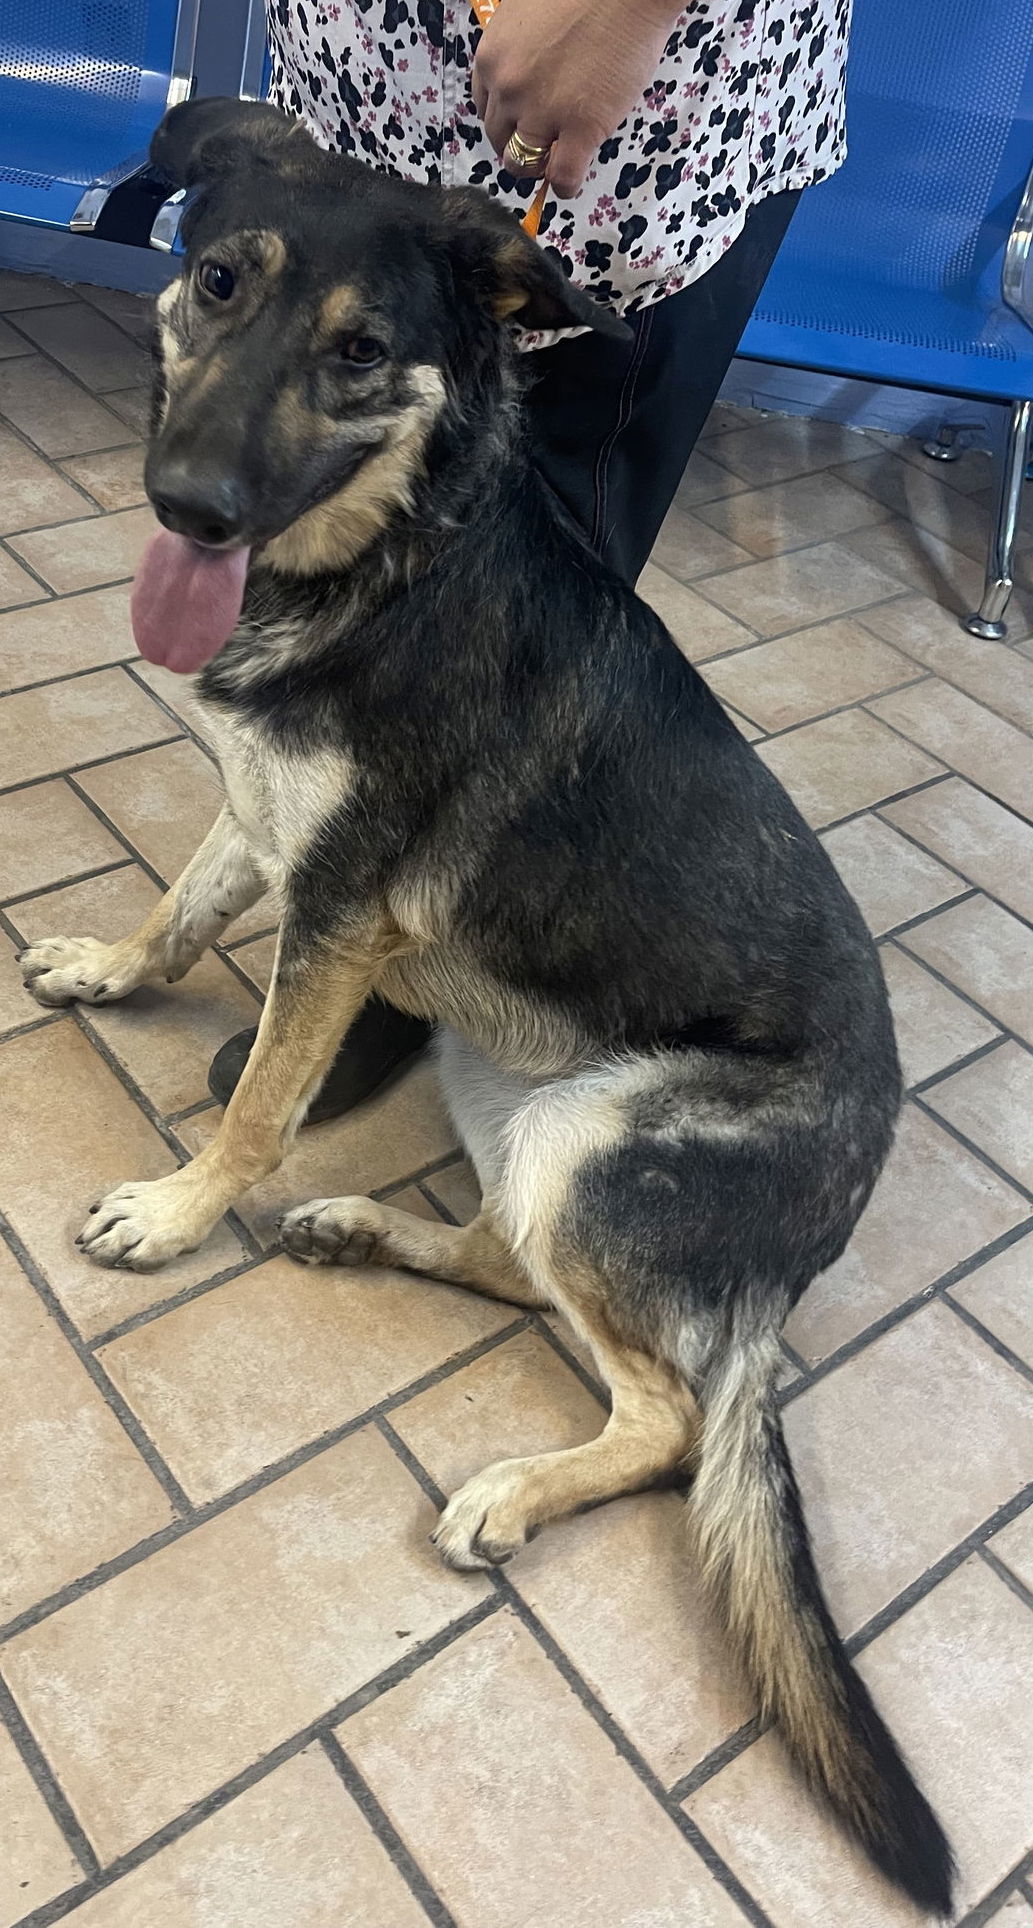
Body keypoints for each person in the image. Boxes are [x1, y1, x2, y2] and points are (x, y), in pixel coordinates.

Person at [209, 0, 852, 1119]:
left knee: (525, 628)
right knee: (313, 616)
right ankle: (342, 854)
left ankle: (404, 943)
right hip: (366, 90)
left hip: (634, 141)